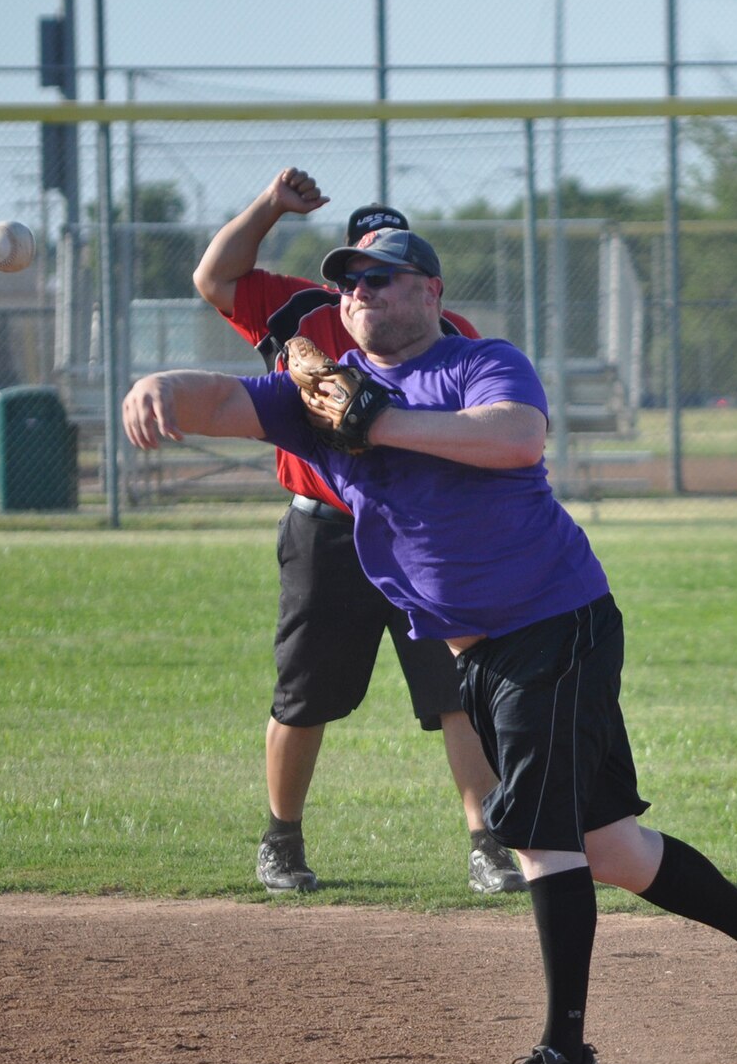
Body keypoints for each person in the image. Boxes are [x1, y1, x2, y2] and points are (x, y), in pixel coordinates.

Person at [128, 224, 737, 1064]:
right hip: (488, 651)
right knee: (609, 846)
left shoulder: (477, 364)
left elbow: (514, 436)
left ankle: (566, 1055)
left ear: (429, 292)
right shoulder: (320, 395)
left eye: (382, 280)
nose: (360, 294)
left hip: (554, 622)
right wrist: (157, 387)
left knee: (542, 840)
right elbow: (219, 399)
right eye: (348, 283)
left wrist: (379, 422)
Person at [191, 167, 522, 897]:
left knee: (456, 693)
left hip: (420, 529)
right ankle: (281, 839)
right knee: (303, 693)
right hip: (324, 532)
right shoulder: (295, 307)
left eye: (386, 263)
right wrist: (272, 205)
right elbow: (214, 276)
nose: (367, 280)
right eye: (358, 263)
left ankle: (487, 843)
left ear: (418, 279)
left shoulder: (450, 336)